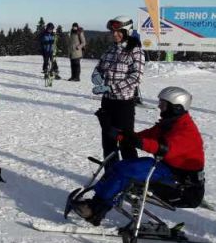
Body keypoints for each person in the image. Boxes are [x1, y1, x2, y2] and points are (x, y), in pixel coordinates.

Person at [71, 87, 204, 225]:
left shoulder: (186, 131)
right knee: (120, 166)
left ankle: (95, 210)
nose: (159, 106)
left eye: (163, 104)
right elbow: (141, 136)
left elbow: (163, 149)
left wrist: (136, 141)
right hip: (167, 170)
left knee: (127, 171)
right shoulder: (170, 123)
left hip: (183, 186)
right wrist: (115, 132)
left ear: (176, 108)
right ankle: (97, 203)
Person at [92, 16, 145, 169]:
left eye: (119, 32)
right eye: (113, 32)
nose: (115, 35)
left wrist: (111, 87)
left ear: (127, 31)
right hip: (107, 103)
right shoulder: (110, 49)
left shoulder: (135, 51)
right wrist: (96, 74)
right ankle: (111, 175)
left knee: (126, 143)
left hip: (124, 105)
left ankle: (131, 179)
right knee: (108, 143)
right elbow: (100, 67)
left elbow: (135, 78)